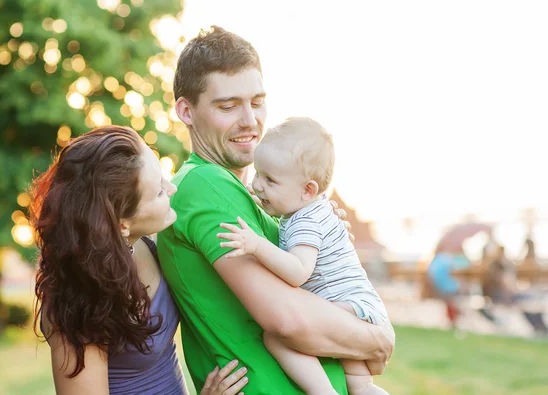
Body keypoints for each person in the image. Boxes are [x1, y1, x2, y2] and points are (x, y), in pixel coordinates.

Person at [157, 26, 395, 394]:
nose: (250, 120)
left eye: (257, 101)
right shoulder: (205, 185)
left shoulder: (262, 200)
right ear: (186, 111)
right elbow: (288, 320)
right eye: (228, 105)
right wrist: (376, 341)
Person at [29, 126, 248, 395]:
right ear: (121, 223)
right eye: (158, 192)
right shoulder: (77, 299)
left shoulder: (149, 245)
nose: (172, 189)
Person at [217, 118, 391, 395]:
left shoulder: (304, 221)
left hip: (346, 307)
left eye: (270, 180)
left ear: (307, 190)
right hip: (360, 306)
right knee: (362, 386)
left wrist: (257, 245)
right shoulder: (312, 208)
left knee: (275, 337)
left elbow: (299, 271)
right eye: (258, 174)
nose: (259, 186)